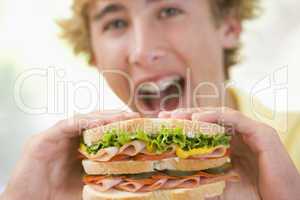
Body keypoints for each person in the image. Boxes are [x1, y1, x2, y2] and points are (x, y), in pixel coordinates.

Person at [1, 0, 300, 199]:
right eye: (116, 23)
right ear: (94, 54)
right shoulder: (65, 182)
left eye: (169, 10)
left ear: (229, 27)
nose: (142, 51)